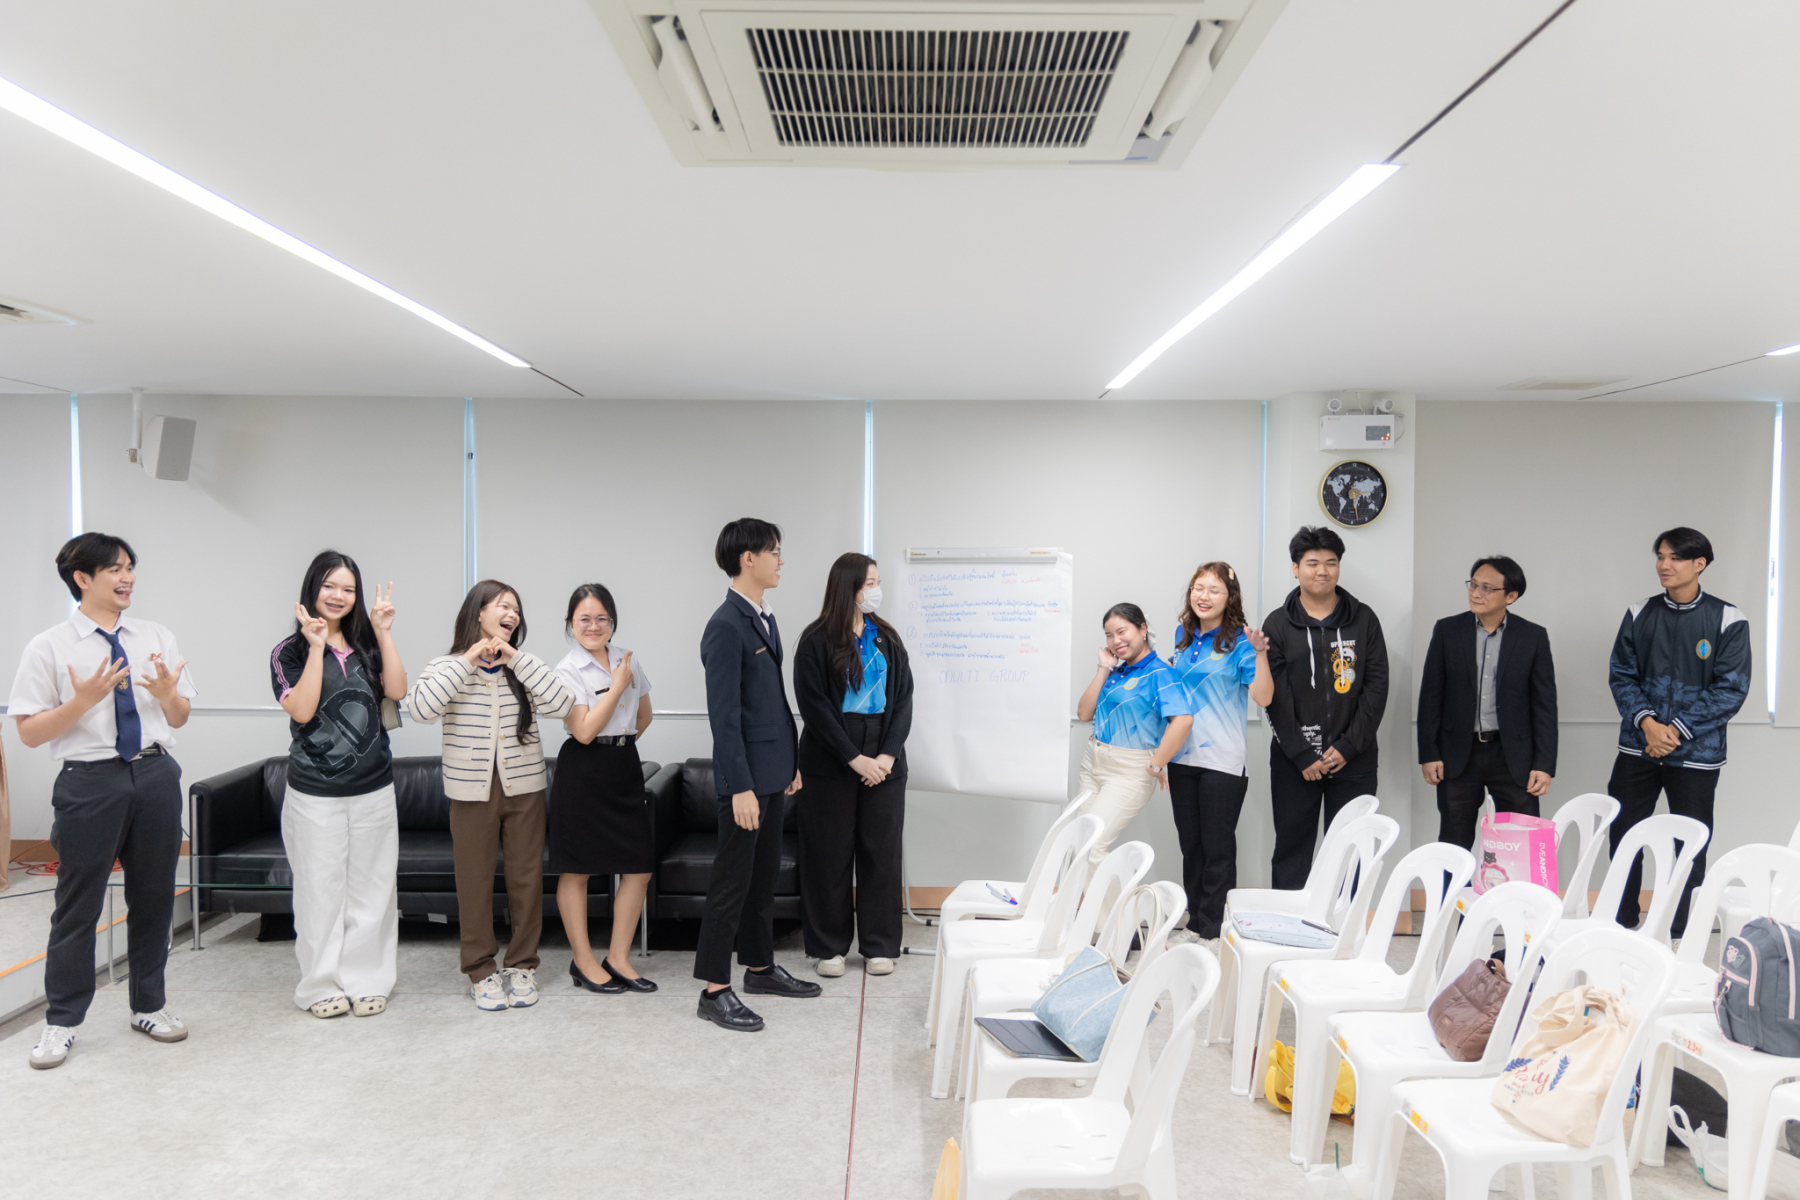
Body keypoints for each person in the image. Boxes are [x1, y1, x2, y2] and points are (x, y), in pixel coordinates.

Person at [9, 533, 196, 1069]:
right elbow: (29, 733)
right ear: (82, 578)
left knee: (154, 896)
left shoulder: (155, 636)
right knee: (78, 904)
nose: (127, 577)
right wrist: (83, 701)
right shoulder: (48, 646)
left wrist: (168, 696)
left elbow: (180, 716)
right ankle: (62, 1022)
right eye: (115, 568)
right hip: (89, 782)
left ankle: (149, 1006)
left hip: (154, 773)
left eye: (130, 567)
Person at [408, 580, 574, 1011]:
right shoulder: (446, 666)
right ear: (478, 613)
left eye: (516, 609)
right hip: (469, 793)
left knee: (527, 880)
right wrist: (468, 659)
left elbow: (563, 704)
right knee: (474, 882)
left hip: (526, 789)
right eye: (503, 606)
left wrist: (514, 658)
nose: (512, 614)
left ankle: (522, 965)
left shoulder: (525, 666)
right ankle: (481, 971)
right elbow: (421, 710)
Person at [694, 518, 820, 1032]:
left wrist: (788, 763)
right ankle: (713, 990)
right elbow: (724, 718)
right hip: (744, 781)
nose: (780, 560)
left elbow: (769, 703)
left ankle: (760, 968)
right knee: (732, 884)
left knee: (763, 878)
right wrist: (740, 785)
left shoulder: (763, 617)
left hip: (771, 772)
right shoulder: (725, 625)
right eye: (774, 551)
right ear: (748, 558)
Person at [270, 550, 408, 1019]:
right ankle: (319, 986)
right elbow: (303, 709)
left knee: (374, 890)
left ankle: (368, 980)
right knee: (320, 892)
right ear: (313, 589)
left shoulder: (367, 645)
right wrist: (316, 647)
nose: (338, 596)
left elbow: (396, 691)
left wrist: (384, 633)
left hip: (374, 788)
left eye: (348, 589)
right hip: (315, 793)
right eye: (329, 586)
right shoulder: (288, 652)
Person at [1607, 527, 1749, 936]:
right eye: (1660, 557)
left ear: (1699, 564)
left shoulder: (1728, 618)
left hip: (1697, 754)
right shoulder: (1639, 613)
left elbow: (1731, 688)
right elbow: (1621, 675)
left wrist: (1676, 731)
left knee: (1689, 843)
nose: (1664, 565)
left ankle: (1678, 930)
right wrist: (1648, 724)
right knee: (1624, 835)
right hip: (1639, 748)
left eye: (1674, 558)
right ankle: (1621, 923)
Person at [793, 553, 914, 978]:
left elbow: (903, 701)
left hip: (884, 755)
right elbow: (815, 707)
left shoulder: (888, 638)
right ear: (848, 588)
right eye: (869, 584)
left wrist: (886, 756)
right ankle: (829, 948)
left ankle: (880, 946)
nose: (876, 591)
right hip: (831, 755)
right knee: (829, 853)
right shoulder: (815, 640)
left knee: (882, 853)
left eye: (877, 582)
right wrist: (853, 758)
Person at [548, 583, 659, 995]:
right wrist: (615, 687)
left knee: (639, 867)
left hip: (623, 767)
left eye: (602, 618)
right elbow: (582, 731)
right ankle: (583, 961)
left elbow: (644, 715)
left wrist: (620, 744)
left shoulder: (627, 659)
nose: (593, 626)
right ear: (571, 623)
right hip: (582, 770)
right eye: (584, 619)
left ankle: (618, 958)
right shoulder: (567, 670)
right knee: (577, 869)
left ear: (612, 622)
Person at [1262, 526, 1389, 890]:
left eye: (1331, 563)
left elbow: (1376, 687)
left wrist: (1348, 746)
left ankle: (1344, 923)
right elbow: (1276, 697)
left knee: (1351, 851)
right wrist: (1301, 753)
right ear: (1295, 568)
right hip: (1294, 762)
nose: (1323, 571)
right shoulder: (1278, 624)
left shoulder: (1364, 619)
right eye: (1312, 563)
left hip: (1354, 760)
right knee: (1292, 850)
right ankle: (1289, 921)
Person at [1417, 556, 1558, 852]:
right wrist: (1429, 753)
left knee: (1519, 844)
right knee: (1454, 842)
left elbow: (1544, 705)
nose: (1476, 593)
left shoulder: (1532, 636)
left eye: (1487, 588)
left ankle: (1514, 888)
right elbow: (1431, 695)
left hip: (1513, 757)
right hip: (1459, 754)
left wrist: (1544, 765)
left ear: (1511, 596)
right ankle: (1453, 886)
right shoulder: (1447, 631)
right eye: (1473, 585)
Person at [1165, 563, 1271, 943]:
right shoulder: (1183, 635)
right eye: (1199, 588)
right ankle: (1195, 923)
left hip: (1222, 761)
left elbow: (1263, 698)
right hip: (1181, 758)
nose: (1204, 596)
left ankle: (1213, 932)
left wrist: (1260, 654)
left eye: (1214, 590)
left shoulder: (1241, 641)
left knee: (1217, 850)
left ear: (1230, 598)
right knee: (1191, 848)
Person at [1075, 603, 1194, 868]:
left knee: (1092, 847)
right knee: (1080, 845)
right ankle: (1088, 899)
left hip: (1127, 772)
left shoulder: (1160, 672)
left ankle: (1129, 898)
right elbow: (1084, 713)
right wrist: (1104, 668)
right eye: (1109, 635)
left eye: (1122, 632)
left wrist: (1157, 763)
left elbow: (1184, 720)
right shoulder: (1116, 672)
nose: (1115, 641)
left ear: (1142, 629)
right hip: (1092, 763)